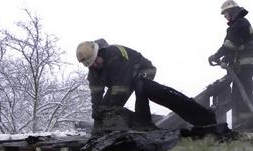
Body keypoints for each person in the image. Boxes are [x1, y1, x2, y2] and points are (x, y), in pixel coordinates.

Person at [76, 41, 217, 129]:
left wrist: (110, 112)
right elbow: (96, 95)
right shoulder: (93, 71)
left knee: (142, 87)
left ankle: (202, 117)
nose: (95, 65)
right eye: (91, 65)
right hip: (120, 81)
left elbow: (120, 89)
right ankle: (144, 123)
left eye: (95, 61)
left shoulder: (114, 55)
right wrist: (97, 116)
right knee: (104, 109)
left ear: (99, 53)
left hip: (143, 70)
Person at [208, 0, 253, 129]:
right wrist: (226, 58)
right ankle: (239, 124)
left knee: (243, 96)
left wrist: (216, 56)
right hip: (243, 66)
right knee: (238, 96)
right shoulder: (241, 24)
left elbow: (230, 44)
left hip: (244, 66)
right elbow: (238, 46)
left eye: (225, 14)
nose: (225, 17)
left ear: (231, 12)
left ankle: (246, 124)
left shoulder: (239, 24)